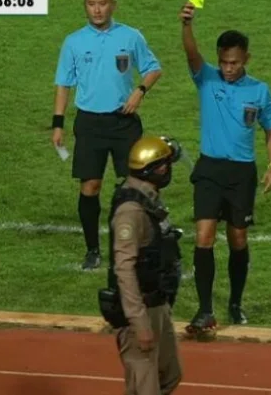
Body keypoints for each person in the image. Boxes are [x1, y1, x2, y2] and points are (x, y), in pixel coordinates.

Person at [178, 1, 271, 334]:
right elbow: (191, 54)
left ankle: (235, 302)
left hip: (241, 174)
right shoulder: (207, 79)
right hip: (209, 170)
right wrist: (186, 25)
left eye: (234, 63)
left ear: (246, 59)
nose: (228, 68)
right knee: (204, 237)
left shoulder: (259, 91)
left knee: (238, 239)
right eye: (223, 62)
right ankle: (205, 310)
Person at [52, 0, 162, 270]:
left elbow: (153, 68)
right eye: (91, 4)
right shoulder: (74, 42)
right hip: (90, 124)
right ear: (85, 6)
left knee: (135, 187)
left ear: (113, 5)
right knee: (90, 186)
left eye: (102, 3)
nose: (97, 9)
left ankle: (139, 248)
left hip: (124, 123)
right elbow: (63, 84)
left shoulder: (131, 37)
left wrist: (140, 91)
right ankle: (93, 250)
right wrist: (58, 124)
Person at [98, 135, 184, 395]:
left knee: (170, 375)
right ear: (151, 170)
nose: (167, 169)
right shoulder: (131, 211)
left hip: (157, 304)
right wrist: (139, 322)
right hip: (140, 311)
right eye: (164, 165)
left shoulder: (147, 196)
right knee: (145, 387)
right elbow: (124, 269)